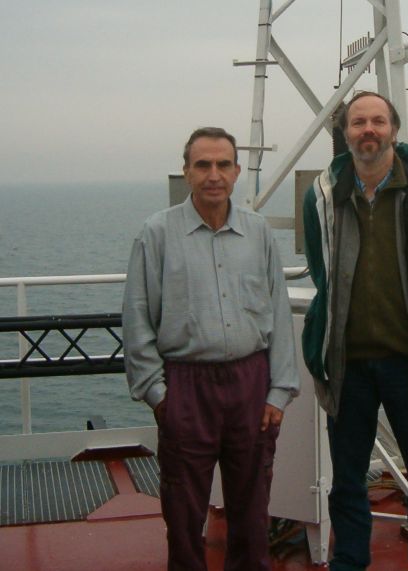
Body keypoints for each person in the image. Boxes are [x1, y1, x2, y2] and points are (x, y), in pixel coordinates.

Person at [122, 126, 300, 571]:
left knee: (251, 514)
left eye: (223, 164)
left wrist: (280, 391)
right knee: (183, 516)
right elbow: (137, 317)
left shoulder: (258, 233)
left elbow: (277, 313)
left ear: (238, 171)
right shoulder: (157, 234)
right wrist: (159, 396)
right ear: (186, 172)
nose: (213, 174)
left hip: (250, 385)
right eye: (203, 164)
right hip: (186, 386)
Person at [302, 91, 408, 571]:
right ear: (346, 133)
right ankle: (349, 563)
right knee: (347, 481)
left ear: (393, 129)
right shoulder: (326, 194)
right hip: (347, 361)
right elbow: (320, 267)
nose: (367, 130)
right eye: (358, 123)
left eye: (377, 121)